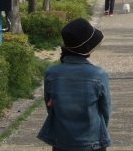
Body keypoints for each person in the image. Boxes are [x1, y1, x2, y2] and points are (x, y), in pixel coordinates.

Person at [37, 18, 112, 151]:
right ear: (87, 47)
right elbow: (105, 110)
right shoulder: (98, 74)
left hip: (61, 141)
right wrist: (101, 133)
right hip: (92, 141)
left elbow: (51, 108)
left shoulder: (51, 73)